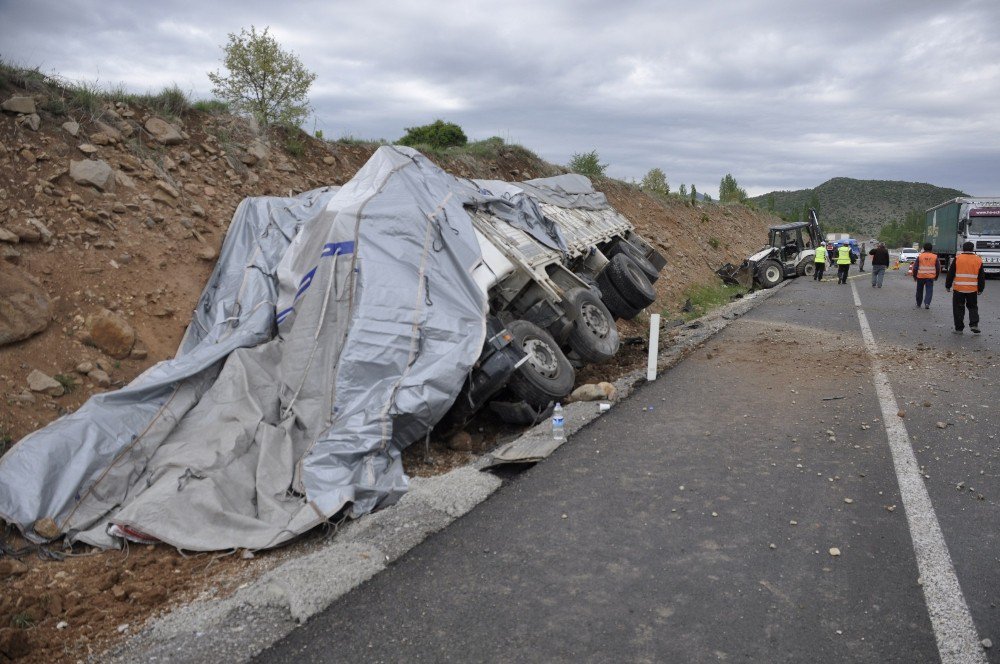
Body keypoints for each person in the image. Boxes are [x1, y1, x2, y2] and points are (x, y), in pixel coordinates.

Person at [945, 241, 985, 334]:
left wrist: (948, 285)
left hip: (959, 288)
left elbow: (951, 273)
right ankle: (974, 324)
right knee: (973, 307)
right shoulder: (978, 260)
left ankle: (959, 329)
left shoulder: (958, 258)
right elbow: (981, 276)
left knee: (958, 308)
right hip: (972, 289)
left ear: (963, 249)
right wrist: (980, 288)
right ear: (973, 249)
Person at [913, 242, 939, 308]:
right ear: (931, 249)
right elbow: (938, 268)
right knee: (929, 290)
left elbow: (915, 267)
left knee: (919, 291)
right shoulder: (934, 257)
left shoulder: (920, 256)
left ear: (924, 248)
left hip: (920, 276)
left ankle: (918, 304)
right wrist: (936, 276)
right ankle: (927, 303)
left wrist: (914, 276)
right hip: (930, 277)